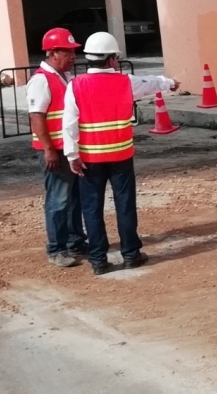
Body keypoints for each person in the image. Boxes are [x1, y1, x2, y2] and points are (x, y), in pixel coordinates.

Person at [62, 32, 181, 275]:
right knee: (125, 205)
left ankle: (98, 260)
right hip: (120, 157)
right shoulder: (125, 82)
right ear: (111, 59)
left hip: (89, 159)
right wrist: (170, 83)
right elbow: (150, 83)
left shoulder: (75, 85)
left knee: (92, 209)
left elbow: (69, 124)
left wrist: (72, 155)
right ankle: (131, 254)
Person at [26, 28, 87, 268]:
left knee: (74, 199)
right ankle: (57, 249)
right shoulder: (42, 80)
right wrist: (48, 149)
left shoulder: (65, 77)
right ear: (52, 53)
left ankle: (75, 241)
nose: (73, 56)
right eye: (68, 51)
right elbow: (37, 116)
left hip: (68, 149)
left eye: (73, 51)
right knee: (58, 201)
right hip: (55, 151)